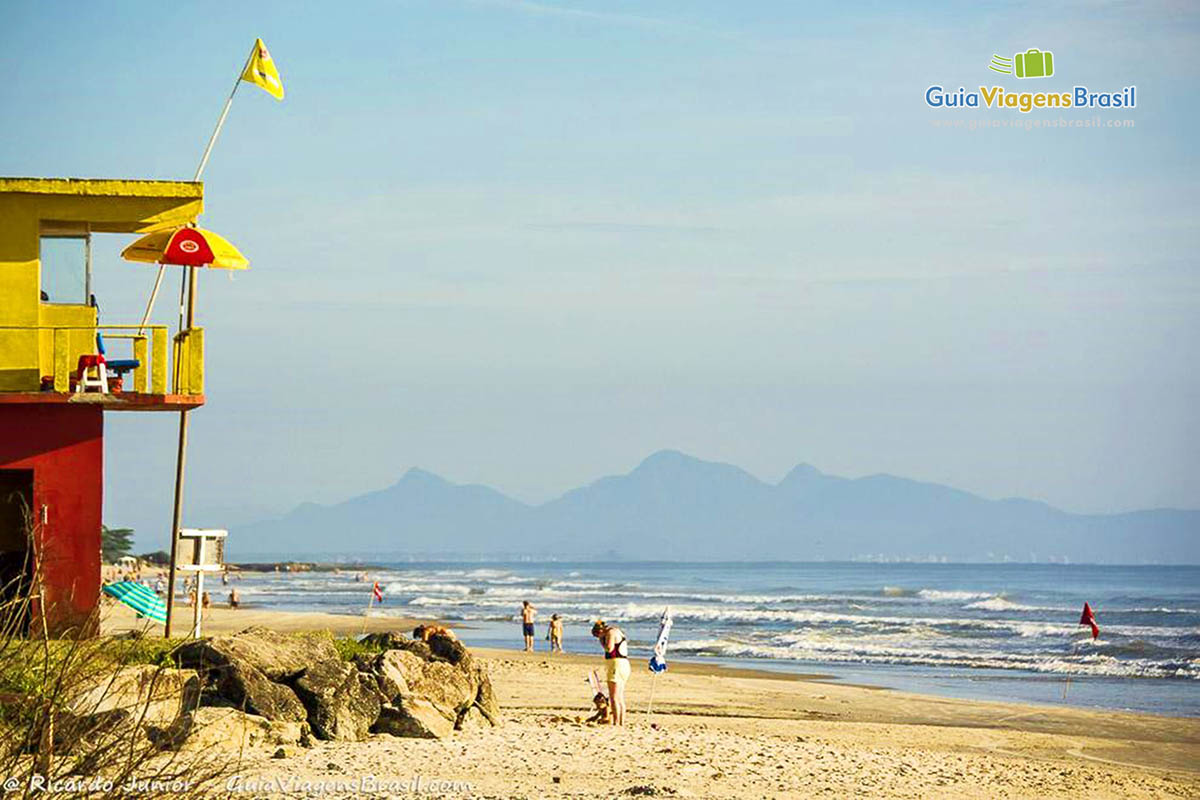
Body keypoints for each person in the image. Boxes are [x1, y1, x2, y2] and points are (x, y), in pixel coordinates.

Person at [591, 620, 630, 725]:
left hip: (616, 664)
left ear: (600, 631)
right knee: (620, 696)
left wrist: (602, 642)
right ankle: (621, 722)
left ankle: (616, 722)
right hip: (623, 664)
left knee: (614, 697)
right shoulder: (617, 631)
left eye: (599, 635)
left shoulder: (610, 633)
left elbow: (609, 648)